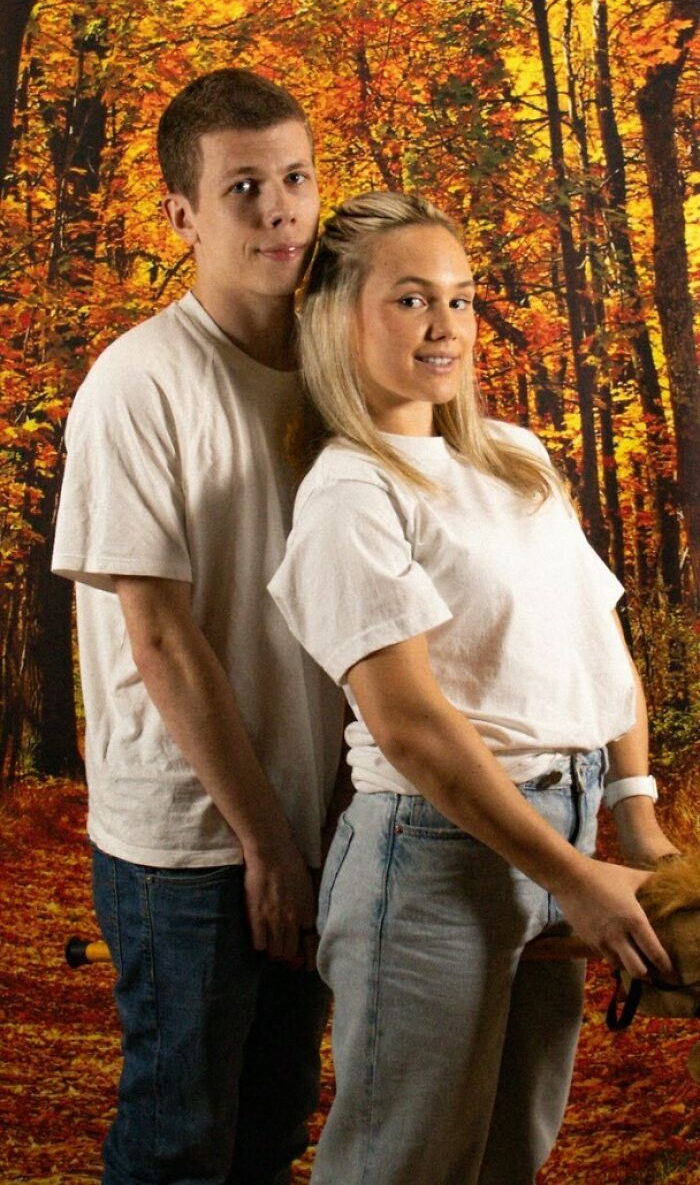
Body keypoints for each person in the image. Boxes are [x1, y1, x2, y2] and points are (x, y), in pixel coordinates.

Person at [268, 191, 679, 1184]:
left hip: (563, 829)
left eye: (459, 297)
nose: (446, 323)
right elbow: (407, 725)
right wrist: (575, 876)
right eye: (410, 299)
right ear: (337, 316)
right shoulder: (349, 493)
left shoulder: (517, 462)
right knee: (400, 1164)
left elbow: (598, 646)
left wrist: (639, 825)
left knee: (508, 1152)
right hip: (433, 853)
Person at [52, 68, 345, 1185]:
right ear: (182, 215)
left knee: (271, 1132)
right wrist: (265, 846)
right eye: (243, 187)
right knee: (181, 1139)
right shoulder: (139, 384)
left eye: (295, 178)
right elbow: (161, 640)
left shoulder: (336, 374)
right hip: (189, 842)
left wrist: (323, 821)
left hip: (312, 812)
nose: (278, 208)